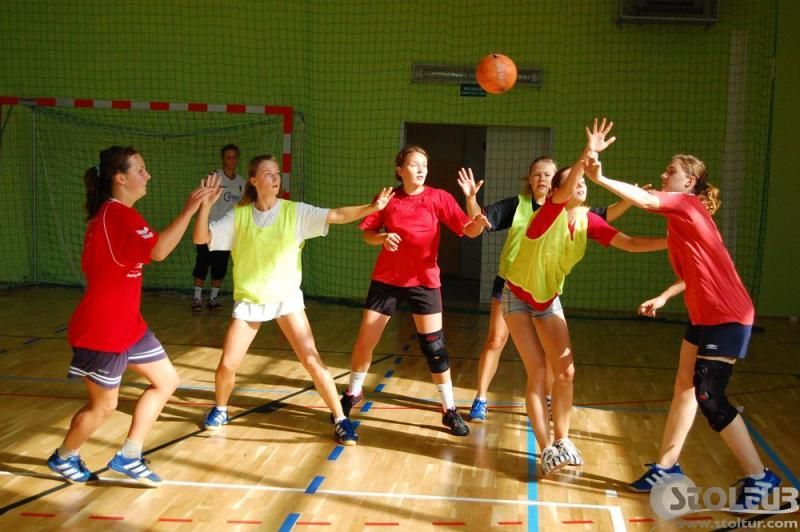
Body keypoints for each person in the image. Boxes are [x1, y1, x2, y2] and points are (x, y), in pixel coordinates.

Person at [584, 151, 782, 509]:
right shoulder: (680, 222)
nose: (664, 175)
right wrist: (664, 296)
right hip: (704, 314)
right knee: (684, 387)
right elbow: (696, 272)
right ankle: (666, 468)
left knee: (709, 394)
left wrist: (599, 178)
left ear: (689, 182)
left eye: (671, 171)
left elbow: (645, 199)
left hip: (728, 314)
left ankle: (761, 478)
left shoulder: (688, 206)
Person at [503, 118, 667, 475]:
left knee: (565, 373)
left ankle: (563, 439)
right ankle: (546, 449)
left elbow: (630, 243)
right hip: (517, 296)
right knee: (538, 371)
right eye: (573, 181)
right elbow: (566, 186)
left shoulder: (587, 220)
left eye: (582, 181)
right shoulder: (547, 214)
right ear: (558, 191)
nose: (580, 184)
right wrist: (586, 153)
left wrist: (671, 242)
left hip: (548, 299)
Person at [46, 146, 218, 487]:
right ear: (120, 178)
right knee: (103, 407)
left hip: (128, 325)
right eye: (140, 169)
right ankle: (63, 456)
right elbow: (159, 251)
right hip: (103, 329)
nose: (147, 175)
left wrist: (200, 208)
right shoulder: (117, 216)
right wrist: (190, 209)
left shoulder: (116, 215)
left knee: (166, 381)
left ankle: (129, 455)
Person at [195, 154, 393, 446]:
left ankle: (341, 419)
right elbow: (202, 239)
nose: (275, 178)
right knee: (227, 364)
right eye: (267, 173)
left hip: (286, 299)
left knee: (312, 360)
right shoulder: (239, 216)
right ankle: (221, 409)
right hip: (251, 301)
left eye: (277, 173)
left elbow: (337, 215)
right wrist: (205, 206)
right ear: (253, 180)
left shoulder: (295, 212)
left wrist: (371, 208)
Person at [457, 157, 637, 424]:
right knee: (495, 340)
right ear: (529, 180)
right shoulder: (517, 205)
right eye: (536, 174)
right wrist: (471, 198)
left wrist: (631, 199)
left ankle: (551, 398)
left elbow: (604, 216)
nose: (541, 178)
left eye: (547, 174)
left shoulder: (572, 210)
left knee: (551, 351)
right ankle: (481, 398)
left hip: (545, 290)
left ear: (557, 183)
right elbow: (478, 221)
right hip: (510, 285)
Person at [338, 145, 491, 437]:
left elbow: (471, 231)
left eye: (425, 164)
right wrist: (382, 238)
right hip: (387, 280)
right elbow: (368, 234)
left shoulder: (439, 197)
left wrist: (472, 201)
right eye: (414, 164)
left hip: (424, 281)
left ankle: (449, 410)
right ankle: (352, 392)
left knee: (435, 347)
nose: (421, 169)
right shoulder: (388, 198)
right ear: (400, 170)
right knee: (365, 340)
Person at [191, 144, 245, 311]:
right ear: (223, 159)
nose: (232, 160)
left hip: (227, 232)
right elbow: (202, 199)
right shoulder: (214, 178)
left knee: (220, 266)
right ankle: (197, 299)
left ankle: (213, 299)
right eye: (228, 157)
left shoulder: (241, 182)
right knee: (202, 263)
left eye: (234, 157)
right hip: (208, 229)